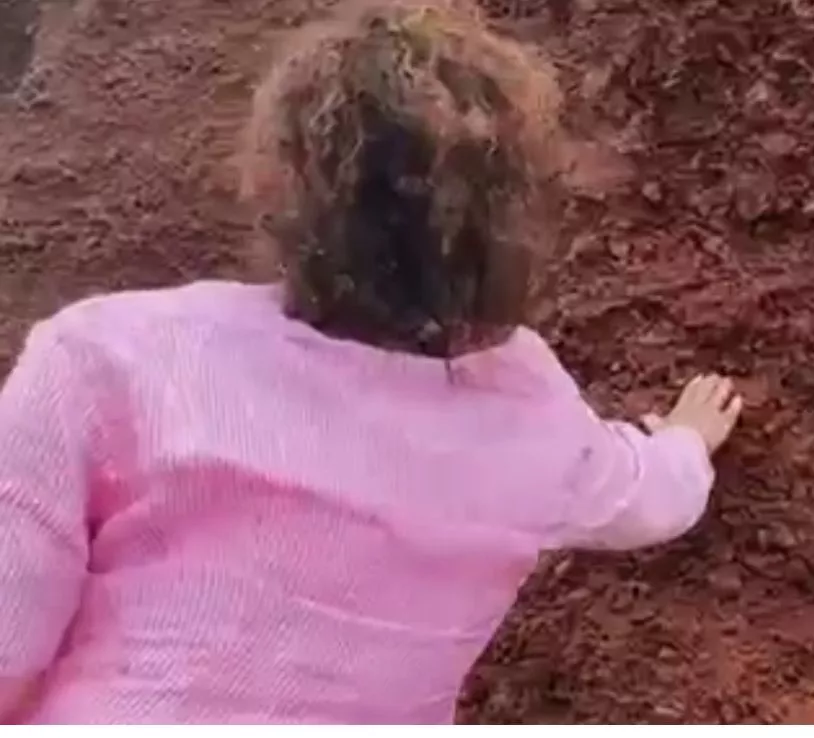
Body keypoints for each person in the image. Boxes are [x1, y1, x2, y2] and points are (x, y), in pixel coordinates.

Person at [0, 0, 742, 724]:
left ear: (285, 187)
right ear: (515, 221)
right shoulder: (529, 414)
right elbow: (646, 500)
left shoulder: (107, 358)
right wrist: (684, 441)